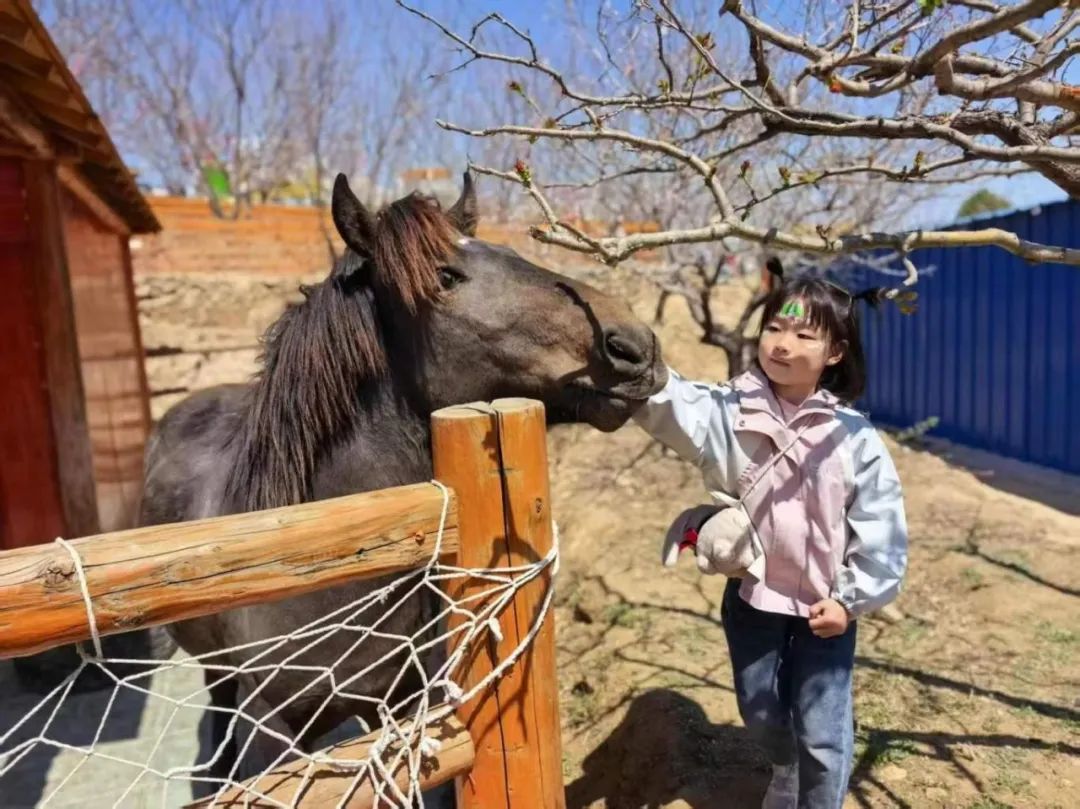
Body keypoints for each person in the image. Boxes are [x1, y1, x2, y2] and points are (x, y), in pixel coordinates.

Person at [633, 269, 908, 809]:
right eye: (775, 328)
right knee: (760, 712)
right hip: (753, 597)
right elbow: (674, 405)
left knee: (823, 730)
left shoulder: (854, 436)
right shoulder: (727, 411)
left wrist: (851, 599)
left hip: (826, 608)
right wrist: (636, 363)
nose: (783, 343)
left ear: (835, 353)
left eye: (804, 334)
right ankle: (785, 767)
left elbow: (882, 526)